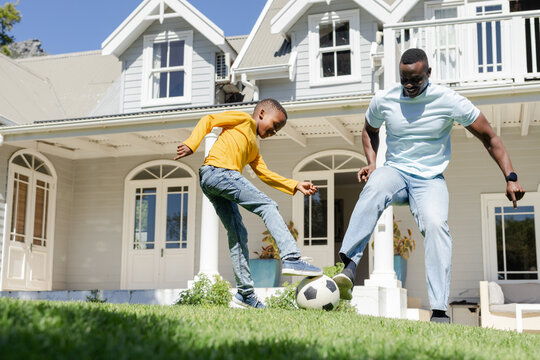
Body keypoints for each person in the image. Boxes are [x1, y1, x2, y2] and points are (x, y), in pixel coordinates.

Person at [333, 48, 525, 323]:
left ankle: (438, 311)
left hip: (430, 179)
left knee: (436, 226)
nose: (410, 85)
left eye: (416, 80)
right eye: (404, 79)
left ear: (429, 74)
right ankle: (349, 266)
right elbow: (369, 130)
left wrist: (511, 177)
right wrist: (373, 163)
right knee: (375, 185)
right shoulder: (384, 100)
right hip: (396, 173)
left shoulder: (448, 100)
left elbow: (490, 138)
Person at [175, 98, 323, 309]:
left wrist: (294, 184)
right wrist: (192, 143)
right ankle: (291, 256)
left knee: (238, 233)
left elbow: (265, 174)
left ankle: (245, 294)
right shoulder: (243, 119)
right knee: (268, 206)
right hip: (219, 172)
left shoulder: (254, 149)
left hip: (213, 181)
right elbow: (209, 119)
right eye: (275, 125)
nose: (275, 131)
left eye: (278, 130)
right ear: (261, 113)